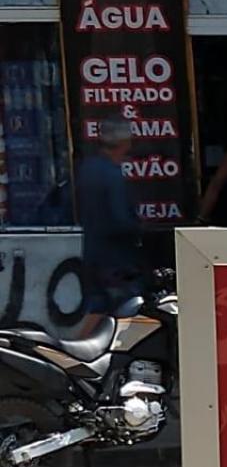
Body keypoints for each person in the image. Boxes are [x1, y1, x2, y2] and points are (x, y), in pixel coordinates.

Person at [75, 117, 143, 317]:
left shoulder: (87, 168)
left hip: (91, 254)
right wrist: (140, 229)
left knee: (96, 313)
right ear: (125, 142)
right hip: (116, 261)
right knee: (129, 314)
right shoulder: (113, 175)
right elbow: (120, 220)